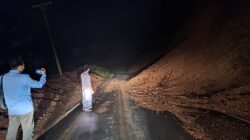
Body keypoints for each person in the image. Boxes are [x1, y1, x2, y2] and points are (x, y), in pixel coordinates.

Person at [2, 56, 46, 140]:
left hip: (12, 110)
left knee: (11, 131)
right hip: (25, 110)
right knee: (27, 132)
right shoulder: (24, 77)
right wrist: (43, 75)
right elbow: (39, 85)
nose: (24, 66)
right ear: (20, 66)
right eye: (23, 65)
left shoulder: (3, 77)